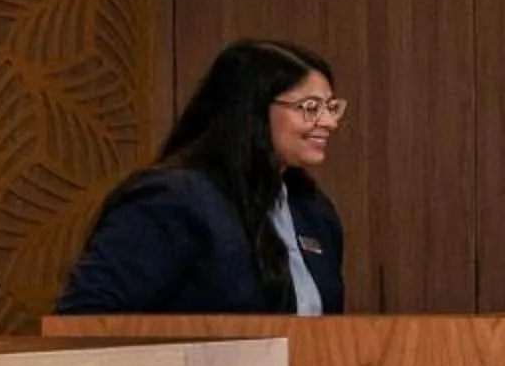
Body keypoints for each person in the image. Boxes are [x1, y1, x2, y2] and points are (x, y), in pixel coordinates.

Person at [59, 40, 348, 316]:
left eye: (331, 107)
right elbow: (88, 317)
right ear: (253, 110)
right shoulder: (172, 200)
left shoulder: (312, 209)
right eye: (311, 108)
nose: (330, 122)